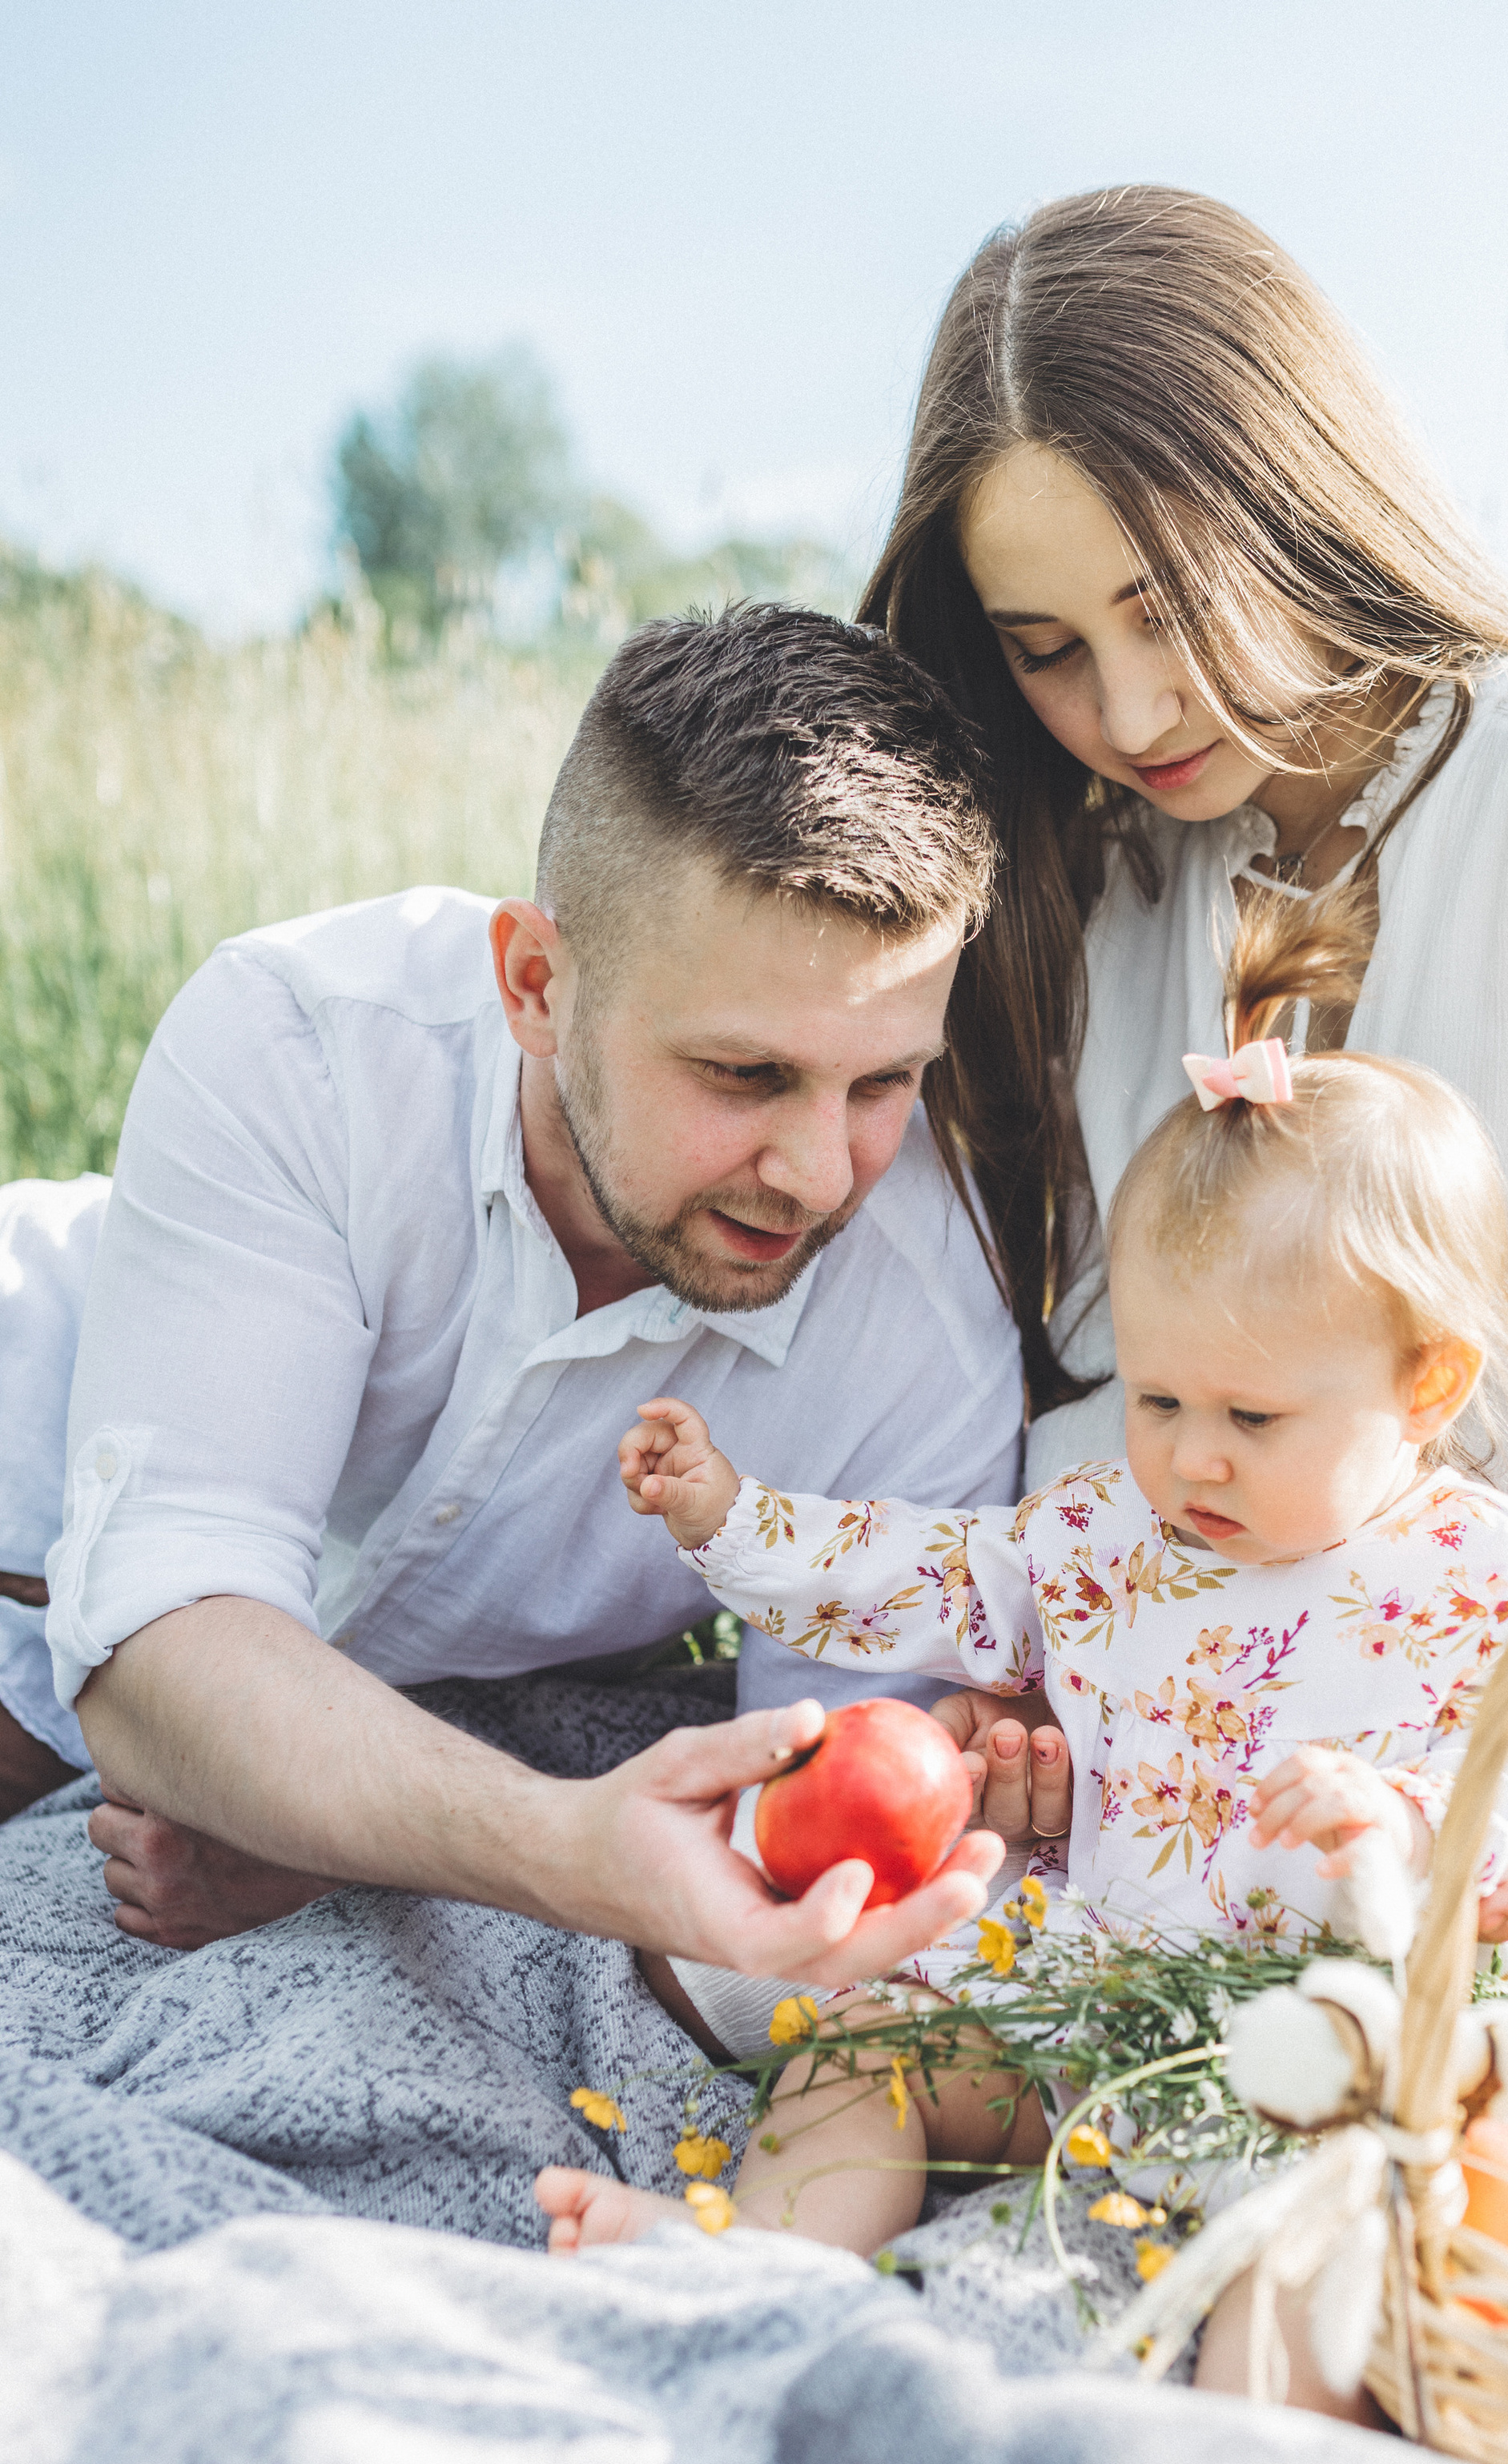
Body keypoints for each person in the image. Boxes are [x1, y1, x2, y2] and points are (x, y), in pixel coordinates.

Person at [855, 186, 1508, 1960]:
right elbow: (1136, 1384)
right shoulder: (1123, 875)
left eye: (1164, 606)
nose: (1129, 715)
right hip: (1239, 1800)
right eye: (1048, 652)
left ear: (1290, 493)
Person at [534, 1044, 1508, 2422]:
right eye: (1157, 1400)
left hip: (1320, 2061)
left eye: (1251, 1416)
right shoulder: (1115, 1534)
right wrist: (737, 1519)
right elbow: (935, 1576)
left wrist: (1404, 1819)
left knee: (1330, 2228)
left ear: (1427, 1388)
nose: (1192, 1456)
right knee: (871, 2044)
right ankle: (760, 2264)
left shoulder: (1499, 1577)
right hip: (1094, 2019)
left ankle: (1251, 2457)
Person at [13, 606, 1056, 1997]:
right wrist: (533, 1840)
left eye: (881, 1083)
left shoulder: (930, 1324)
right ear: (535, 983)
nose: (818, 1175)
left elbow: (828, 1829)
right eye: (743, 1075)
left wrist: (346, 1828)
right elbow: (163, 1639)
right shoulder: (303, 1045)